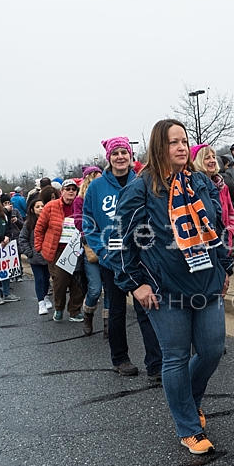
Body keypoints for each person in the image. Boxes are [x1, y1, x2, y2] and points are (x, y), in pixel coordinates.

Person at [112, 119, 232, 454]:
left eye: (184, 141)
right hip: (163, 290)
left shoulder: (200, 182)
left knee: (211, 349)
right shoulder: (139, 189)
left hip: (206, 281)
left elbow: (216, 227)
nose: (181, 147)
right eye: (173, 142)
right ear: (158, 147)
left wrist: (226, 267)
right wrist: (135, 284)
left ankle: (187, 401)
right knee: (176, 356)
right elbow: (121, 242)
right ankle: (188, 427)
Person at [84, 137, 163, 379]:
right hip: (111, 259)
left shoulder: (143, 182)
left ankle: (156, 364)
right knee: (116, 310)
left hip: (140, 256)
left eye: (124, 152)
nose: (120, 157)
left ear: (131, 156)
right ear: (109, 158)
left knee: (146, 308)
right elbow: (89, 222)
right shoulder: (97, 188)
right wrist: (101, 250)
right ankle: (120, 358)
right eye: (115, 153)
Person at [34, 178, 84, 322]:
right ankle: (59, 307)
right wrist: (39, 248)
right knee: (60, 281)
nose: (71, 192)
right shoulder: (51, 206)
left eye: (73, 189)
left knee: (78, 282)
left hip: (77, 250)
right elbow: (39, 229)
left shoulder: (80, 205)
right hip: (58, 250)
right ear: (61, 191)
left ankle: (74, 311)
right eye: (67, 189)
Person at [72, 166, 106, 338]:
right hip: (91, 246)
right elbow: (79, 223)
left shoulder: (106, 196)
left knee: (110, 288)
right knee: (95, 289)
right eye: (96, 177)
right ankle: (88, 315)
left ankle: (108, 323)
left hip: (109, 244)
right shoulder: (80, 200)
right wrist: (93, 229)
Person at [192, 144, 234, 251]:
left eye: (213, 157)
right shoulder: (193, 188)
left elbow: (231, 213)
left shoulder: (223, 186)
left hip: (224, 244)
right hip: (204, 245)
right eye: (207, 158)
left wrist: (229, 234)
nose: (212, 160)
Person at [19, 196, 53, 315]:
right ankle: (41, 302)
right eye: (37, 207)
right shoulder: (28, 224)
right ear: (32, 209)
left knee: (46, 279)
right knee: (39, 279)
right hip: (35, 257)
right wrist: (29, 252)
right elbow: (22, 239)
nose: (40, 208)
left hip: (48, 256)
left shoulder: (50, 221)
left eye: (42, 206)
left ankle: (45, 297)